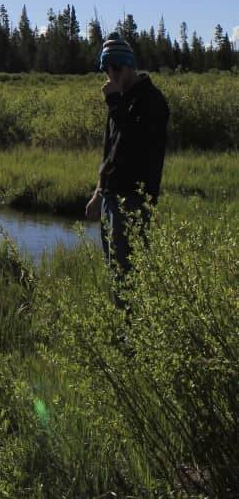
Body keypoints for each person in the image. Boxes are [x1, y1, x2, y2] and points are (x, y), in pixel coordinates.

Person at [85, 32, 169, 305]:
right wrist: (98, 193)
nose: (108, 80)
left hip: (133, 201)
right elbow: (110, 153)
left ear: (123, 68)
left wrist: (113, 103)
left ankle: (135, 341)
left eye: (110, 72)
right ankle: (125, 337)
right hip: (111, 200)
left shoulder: (151, 101)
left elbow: (132, 141)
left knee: (129, 276)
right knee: (116, 274)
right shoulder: (121, 102)